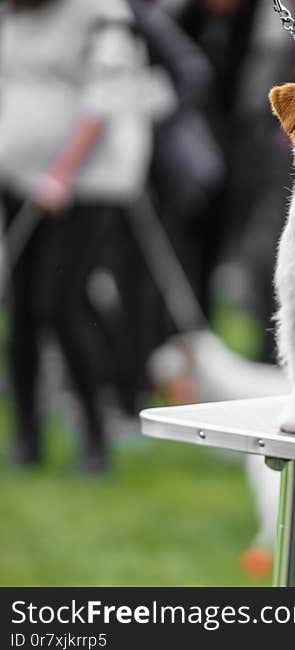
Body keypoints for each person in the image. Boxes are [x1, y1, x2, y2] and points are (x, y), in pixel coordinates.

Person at [0, 0, 153, 471]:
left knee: (61, 305)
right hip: (18, 180)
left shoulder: (103, 13)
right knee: (22, 310)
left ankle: (95, 435)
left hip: (83, 187)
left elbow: (106, 99)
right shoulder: (15, 13)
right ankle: (27, 437)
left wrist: (63, 172)